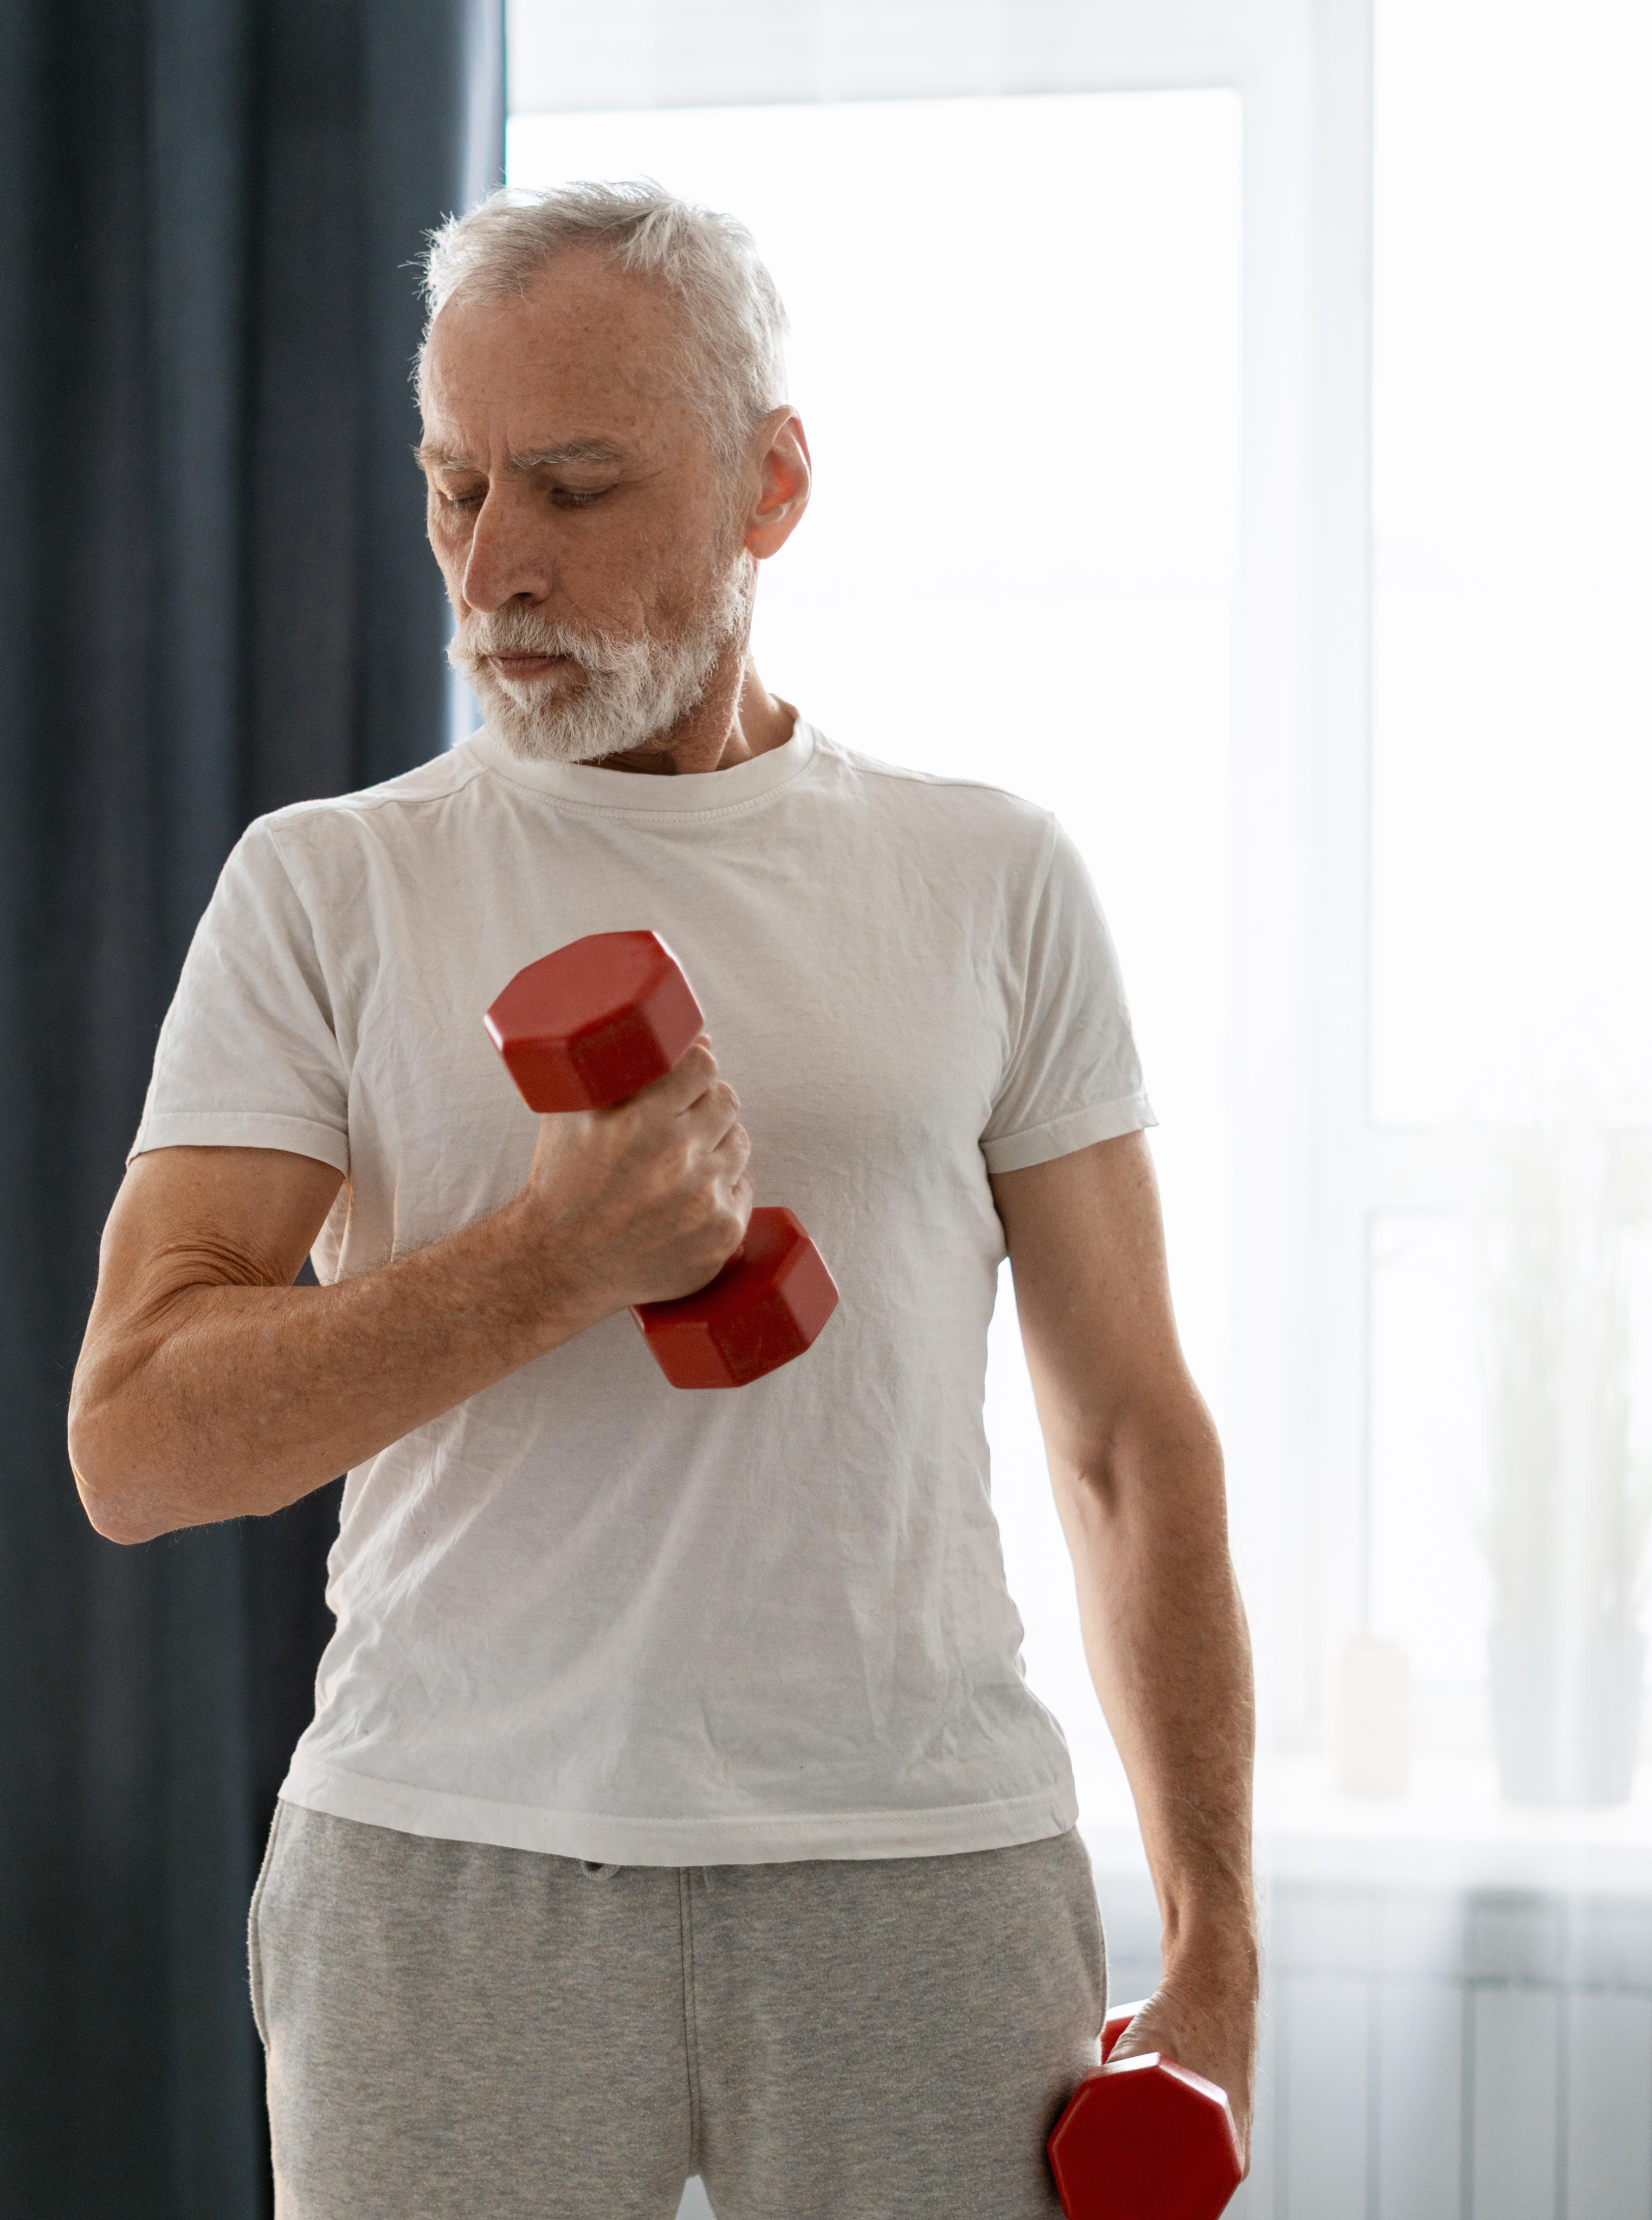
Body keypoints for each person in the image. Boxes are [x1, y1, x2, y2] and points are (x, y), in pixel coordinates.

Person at [67, 179, 1256, 2220]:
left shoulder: (989, 879)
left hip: (919, 1870)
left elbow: (1129, 1442)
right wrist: (550, 1264)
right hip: (446, 1872)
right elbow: (139, 1441)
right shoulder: (327, 887)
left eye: (580, 486)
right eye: (454, 490)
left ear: (771, 485)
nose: (495, 565)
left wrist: (1218, 1933)